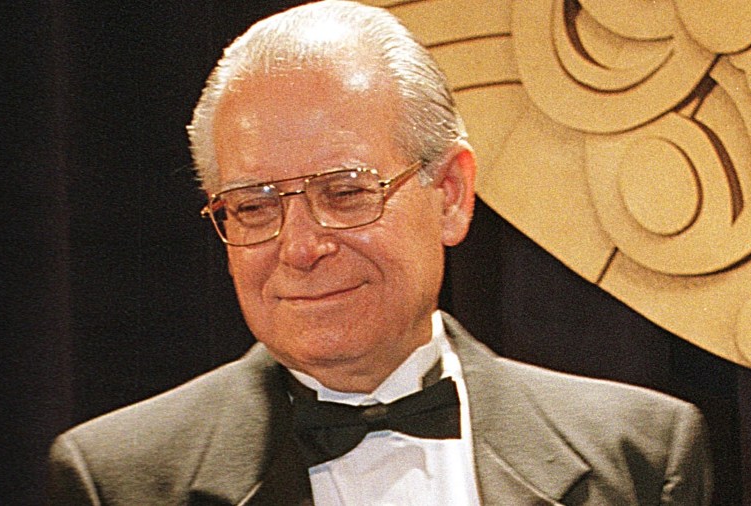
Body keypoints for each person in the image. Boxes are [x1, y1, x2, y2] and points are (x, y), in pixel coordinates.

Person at [49, 1, 713, 504]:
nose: (301, 247)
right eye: (254, 206)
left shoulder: (639, 455)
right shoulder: (117, 479)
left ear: (450, 194)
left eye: (345, 192)